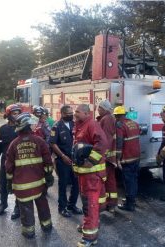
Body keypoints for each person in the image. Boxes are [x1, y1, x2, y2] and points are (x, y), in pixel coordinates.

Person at [5, 112, 54, 239]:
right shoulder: (39, 141)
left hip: (21, 187)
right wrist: (49, 176)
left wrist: (9, 183)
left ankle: (29, 231)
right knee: (42, 205)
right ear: (27, 126)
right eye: (32, 124)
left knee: (26, 209)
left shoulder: (14, 144)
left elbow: (9, 166)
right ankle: (47, 226)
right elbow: (48, 161)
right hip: (39, 184)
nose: (34, 126)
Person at [73, 104, 107, 247]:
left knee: (90, 204)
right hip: (85, 175)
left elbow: (103, 143)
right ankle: (90, 224)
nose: (75, 114)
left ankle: (90, 237)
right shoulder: (81, 125)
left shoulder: (92, 124)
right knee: (87, 203)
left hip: (92, 175)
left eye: (78, 112)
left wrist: (91, 161)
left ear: (87, 113)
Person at [50, 105, 83, 218]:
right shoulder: (56, 127)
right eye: (68, 113)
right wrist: (63, 156)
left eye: (71, 113)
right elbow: (53, 143)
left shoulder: (74, 124)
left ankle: (72, 205)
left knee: (76, 183)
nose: (71, 115)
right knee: (63, 184)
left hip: (75, 159)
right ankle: (62, 207)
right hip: (63, 160)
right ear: (63, 114)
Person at [0, 104, 22, 219]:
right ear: (9, 115)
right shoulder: (3, 129)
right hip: (5, 161)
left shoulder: (21, 129)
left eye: (18, 113)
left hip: (18, 162)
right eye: (15, 113)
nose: (17, 115)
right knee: (3, 183)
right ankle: (3, 204)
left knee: (18, 185)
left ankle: (17, 207)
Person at [113, 106, 141, 212]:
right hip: (136, 157)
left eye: (115, 116)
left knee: (128, 180)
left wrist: (118, 159)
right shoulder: (134, 123)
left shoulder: (120, 126)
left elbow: (119, 143)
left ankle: (130, 205)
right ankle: (132, 200)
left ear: (117, 116)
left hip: (127, 157)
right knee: (134, 179)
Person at [97, 100, 118, 213]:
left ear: (104, 109)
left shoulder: (106, 119)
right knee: (110, 180)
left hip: (106, 157)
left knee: (103, 180)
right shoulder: (109, 118)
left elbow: (105, 139)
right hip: (110, 157)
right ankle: (111, 203)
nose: (97, 110)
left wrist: (101, 155)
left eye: (99, 108)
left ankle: (103, 205)